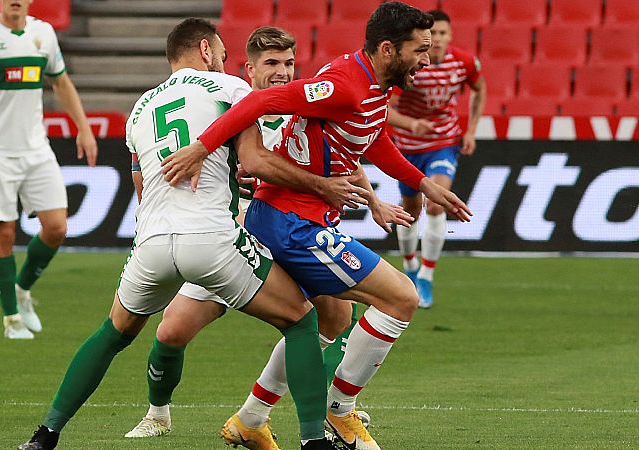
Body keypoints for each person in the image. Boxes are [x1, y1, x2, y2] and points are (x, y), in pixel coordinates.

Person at [18, 18, 358, 450]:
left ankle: (45, 434)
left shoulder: (139, 109)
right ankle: (314, 441)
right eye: (219, 52)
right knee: (300, 319)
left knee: (113, 332)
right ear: (204, 49)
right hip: (212, 239)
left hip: (152, 242)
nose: (222, 60)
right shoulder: (230, 89)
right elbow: (253, 160)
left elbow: (142, 188)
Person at [161, 3, 473, 449]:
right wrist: (201, 147)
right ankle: (338, 409)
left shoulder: (371, 82)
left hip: (300, 217)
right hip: (291, 222)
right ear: (389, 49)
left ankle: (251, 418)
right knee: (400, 297)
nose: (427, 59)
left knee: (329, 316)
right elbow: (260, 101)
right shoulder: (345, 85)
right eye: (419, 50)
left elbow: (373, 136)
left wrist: (421, 183)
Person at [122, 26, 404, 450]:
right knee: (172, 330)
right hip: (229, 238)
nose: (282, 73)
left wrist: (373, 200)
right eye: (272, 64)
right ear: (248, 68)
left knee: (333, 317)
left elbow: (346, 155)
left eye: (289, 64)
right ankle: (157, 414)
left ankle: (277, 413)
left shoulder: (301, 106)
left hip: (287, 231)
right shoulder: (228, 105)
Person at [0, 0, 98, 339]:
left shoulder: (43, 33)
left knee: (57, 228)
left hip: (35, 148)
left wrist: (84, 127)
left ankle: (22, 289)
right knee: (3, 235)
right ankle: (11, 320)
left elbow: (60, 83)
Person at [387, 9, 487, 309]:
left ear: (450, 35)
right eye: (434, 35)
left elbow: (480, 89)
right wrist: (411, 124)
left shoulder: (464, 62)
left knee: (436, 202)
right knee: (410, 212)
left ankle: (427, 277)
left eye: (444, 34)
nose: (439, 40)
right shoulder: (408, 65)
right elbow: (386, 110)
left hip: (443, 142)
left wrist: (471, 130)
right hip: (407, 146)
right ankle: (410, 267)